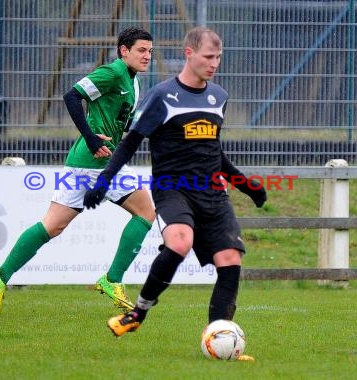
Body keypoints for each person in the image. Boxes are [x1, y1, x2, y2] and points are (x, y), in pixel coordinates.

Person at [83, 27, 266, 360]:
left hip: (213, 193)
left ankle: (221, 338)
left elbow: (214, 151)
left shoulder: (219, 97)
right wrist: (103, 182)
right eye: (209, 57)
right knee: (179, 242)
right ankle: (137, 313)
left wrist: (245, 184)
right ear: (189, 53)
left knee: (230, 260)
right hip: (172, 189)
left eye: (219, 57)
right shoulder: (162, 96)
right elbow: (130, 144)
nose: (214, 64)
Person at [0, 27, 156, 317]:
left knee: (52, 226)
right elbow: (71, 96)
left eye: (150, 51)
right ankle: (112, 280)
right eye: (141, 50)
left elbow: (120, 124)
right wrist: (89, 137)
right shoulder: (112, 72)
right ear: (124, 50)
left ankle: (0, 275)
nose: (147, 56)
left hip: (86, 162)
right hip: (95, 161)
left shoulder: (133, 83)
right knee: (146, 212)